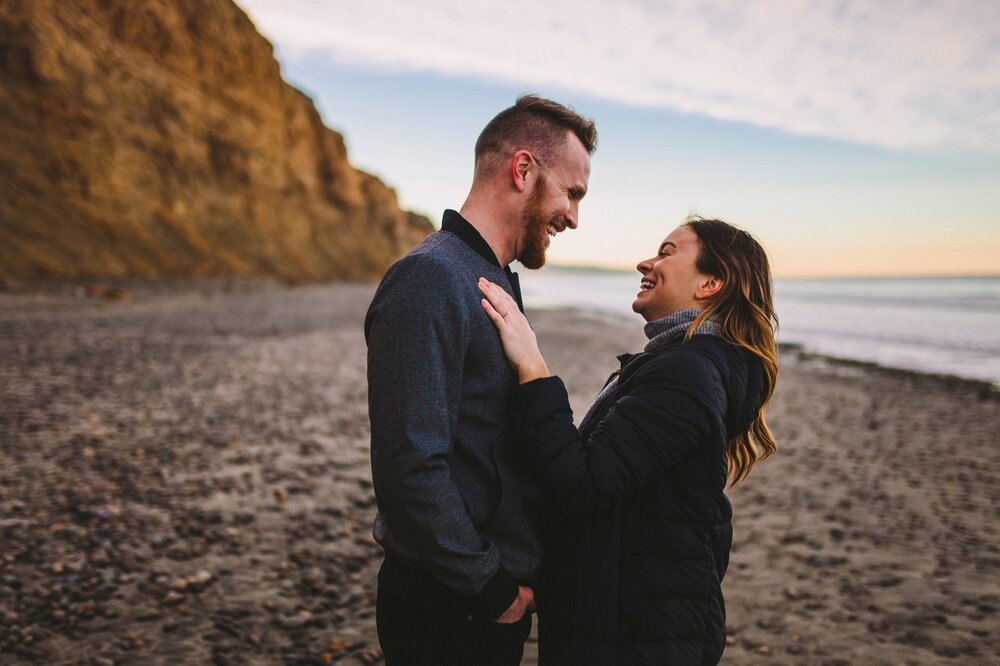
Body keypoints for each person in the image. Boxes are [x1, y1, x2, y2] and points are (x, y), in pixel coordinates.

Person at [477, 217, 778, 665]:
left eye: (667, 252)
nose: (646, 262)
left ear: (711, 282)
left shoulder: (686, 374)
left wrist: (533, 368)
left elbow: (582, 485)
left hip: (634, 634)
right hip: (626, 615)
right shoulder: (680, 364)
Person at [365, 95, 597, 665]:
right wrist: (492, 588)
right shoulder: (429, 277)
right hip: (452, 605)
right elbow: (409, 466)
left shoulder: (491, 276)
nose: (574, 216)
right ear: (523, 170)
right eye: (572, 193)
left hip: (480, 599)